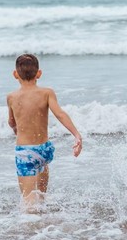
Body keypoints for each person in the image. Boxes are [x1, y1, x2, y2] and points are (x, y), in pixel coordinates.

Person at [7, 53, 83, 210]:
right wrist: (76, 135)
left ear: (15, 74)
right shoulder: (47, 93)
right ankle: (47, 230)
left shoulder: (12, 97)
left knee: (28, 202)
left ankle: (34, 230)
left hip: (25, 152)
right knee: (41, 198)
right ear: (39, 73)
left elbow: (12, 122)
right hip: (44, 150)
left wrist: (17, 130)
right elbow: (60, 114)